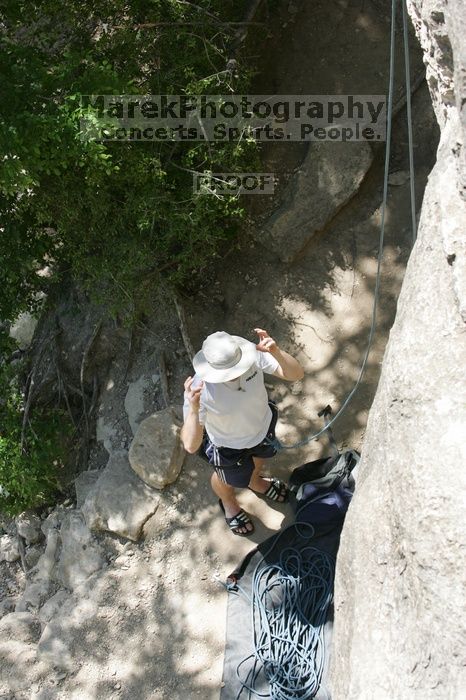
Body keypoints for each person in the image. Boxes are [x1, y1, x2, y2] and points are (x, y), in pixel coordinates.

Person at [181, 328, 304, 536]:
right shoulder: (199, 388)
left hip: (262, 429)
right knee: (225, 479)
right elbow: (190, 445)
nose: (236, 373)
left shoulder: (250, 356)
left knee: (258, 459)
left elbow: (296, 374)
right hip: (228, 447)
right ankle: (229, 504)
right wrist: (193, 409)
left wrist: (276, 352)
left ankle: (255, 482)